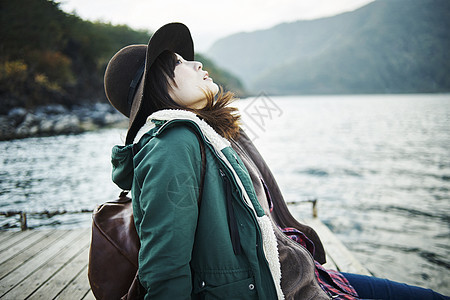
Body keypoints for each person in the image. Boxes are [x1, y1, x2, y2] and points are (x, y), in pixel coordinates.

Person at [104, 23, 449, 300]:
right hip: (279, 288)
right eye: (179, 63)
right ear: (155, 89)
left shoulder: (213, 133)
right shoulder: (172, 143)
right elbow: (165, 268)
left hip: (304, 277)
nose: (197, 64)